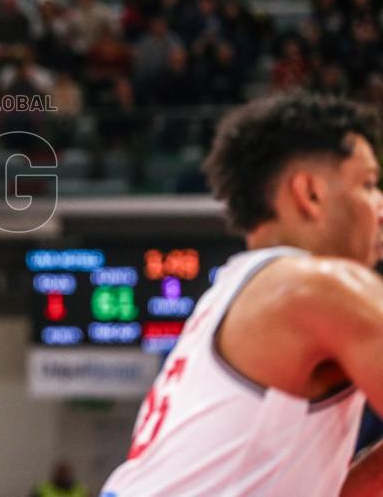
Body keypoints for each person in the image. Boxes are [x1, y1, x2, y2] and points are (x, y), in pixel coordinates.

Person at [102, 92, 383, 496]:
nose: (379, 206)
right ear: (309, 192)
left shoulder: (235, 291)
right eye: (368, 184)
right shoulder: (314, 286)